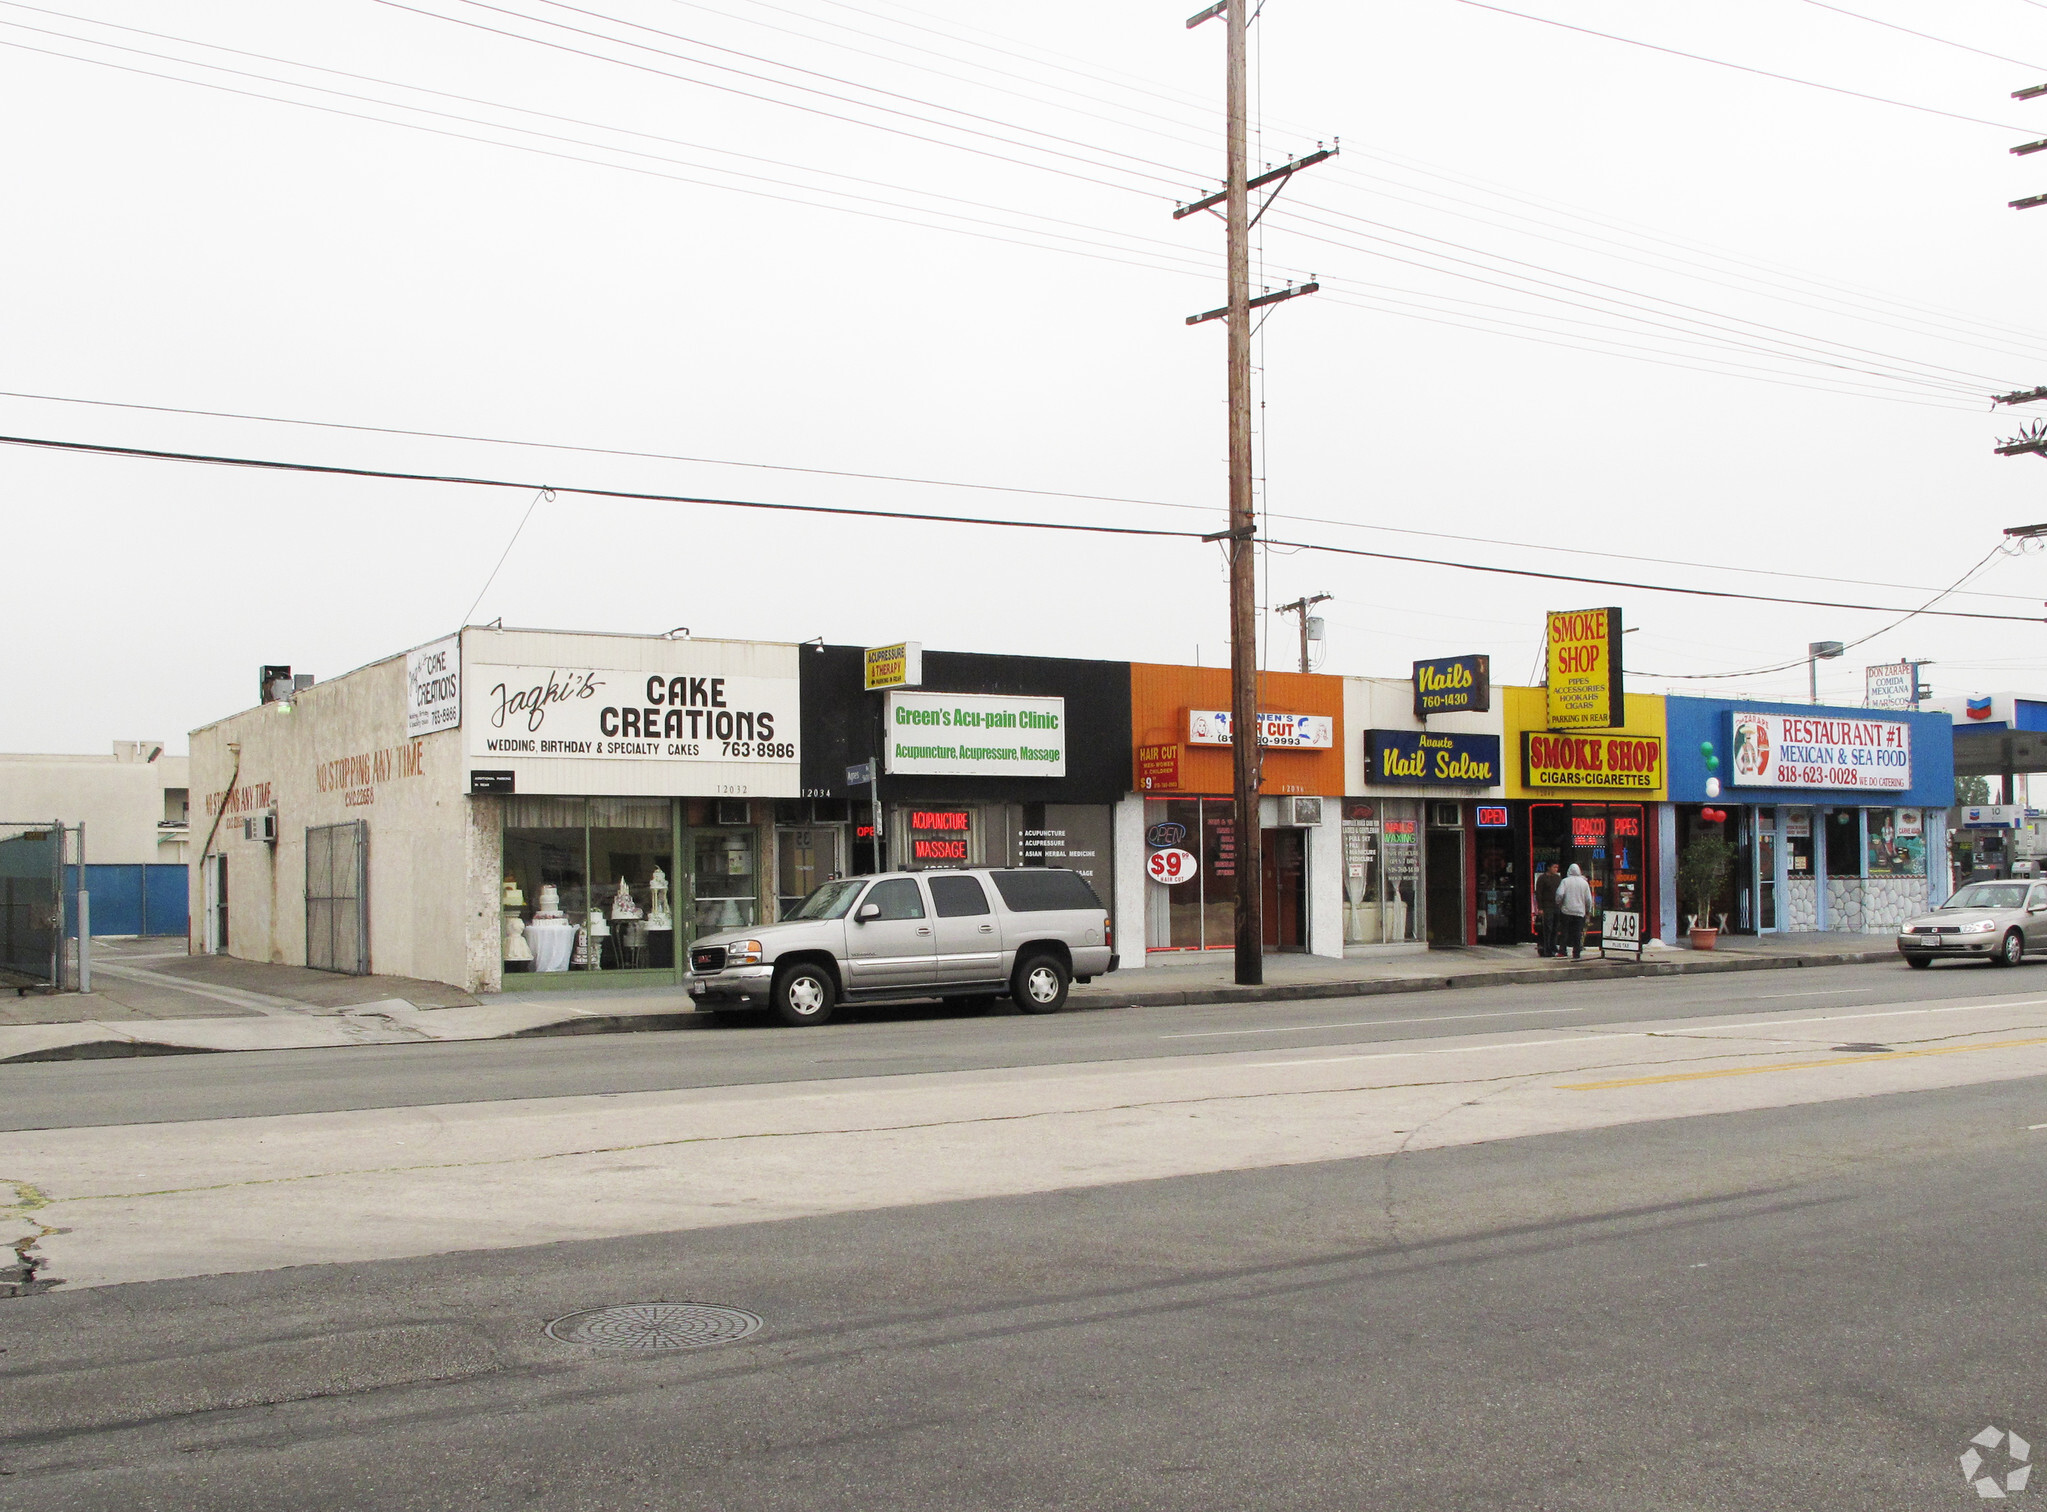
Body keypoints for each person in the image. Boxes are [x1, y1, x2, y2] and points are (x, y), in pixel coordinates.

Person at [1557, 863, 1594, 960]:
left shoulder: (1565, 881)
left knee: (1564, 931)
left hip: (1566, 910)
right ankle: (1576, 952)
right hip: (1579, 911)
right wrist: (1588, 910)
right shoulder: (1584, 883)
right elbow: (1588, 899)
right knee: (1577, 932)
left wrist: (1559, 904)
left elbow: (1559, 894)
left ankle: (1562, 951)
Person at [1534, 862, 1562, 958]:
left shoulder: (1558, 878)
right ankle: (1546, 948)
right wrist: (1540, 907)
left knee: (1555, 928)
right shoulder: (1542, 878)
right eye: (1554, 867)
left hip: (1556, 906)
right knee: (1547, 928)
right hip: (1547, 906)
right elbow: (1539, 893)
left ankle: (1553, 946)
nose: (1556, 869)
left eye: (1557, 867)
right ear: (1549, 867)